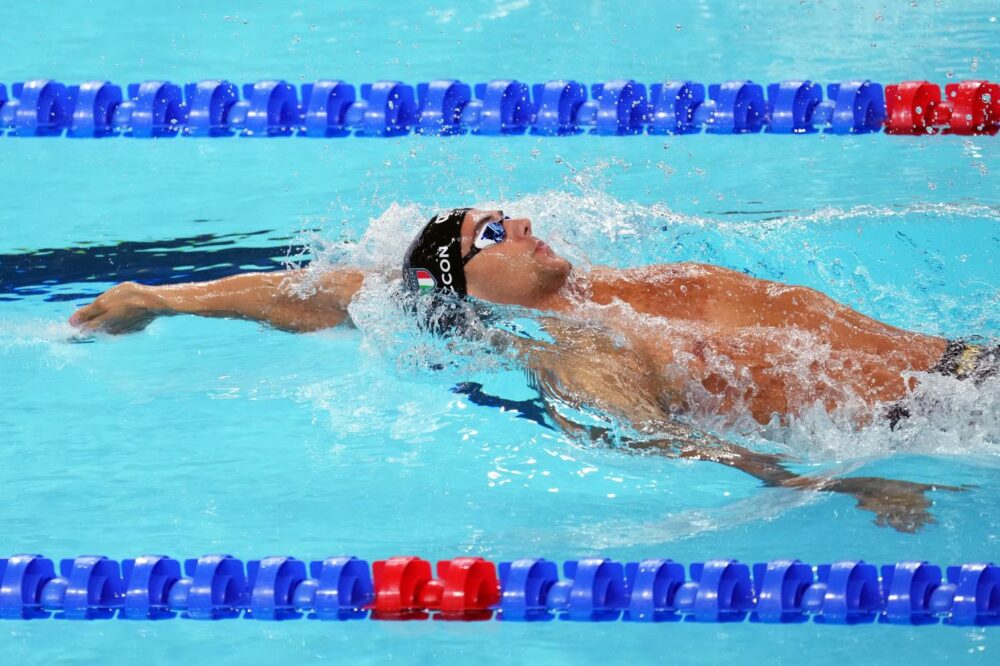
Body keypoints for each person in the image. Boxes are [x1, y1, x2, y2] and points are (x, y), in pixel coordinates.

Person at [71, 208, 993, 531]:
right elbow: (675, 445)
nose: (518, 225)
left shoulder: (611, 287)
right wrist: (846, 485)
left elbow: (323, 290)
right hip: (945, 424)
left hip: (968, 364)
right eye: (492, 235)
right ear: (470, 286)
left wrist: (162, 297)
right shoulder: (584, 354)